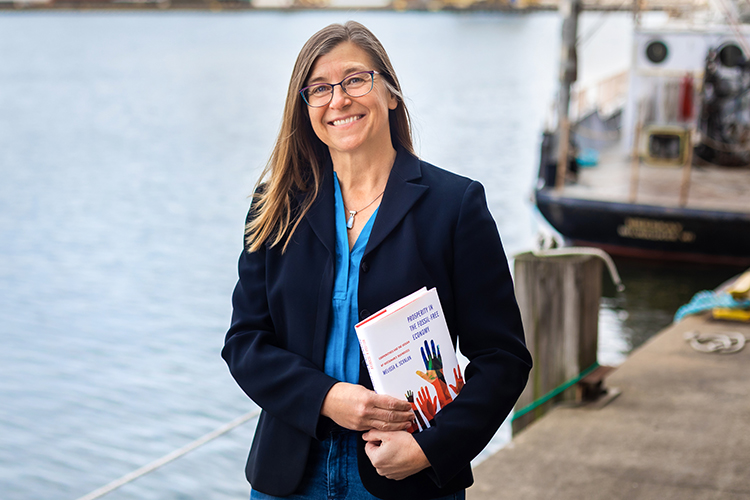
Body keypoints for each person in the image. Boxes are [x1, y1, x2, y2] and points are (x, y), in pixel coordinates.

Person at [222, 21, 532, 500]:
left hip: (407, 475)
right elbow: (245, 343)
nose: (339, 99)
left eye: (355, 80)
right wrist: (327, 398)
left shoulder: (454, 205)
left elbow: (502, 360)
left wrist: (431, 449)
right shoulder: (276, 205)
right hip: (289, 476)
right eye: (319, 89)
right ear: (305, 110)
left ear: (390, 93)